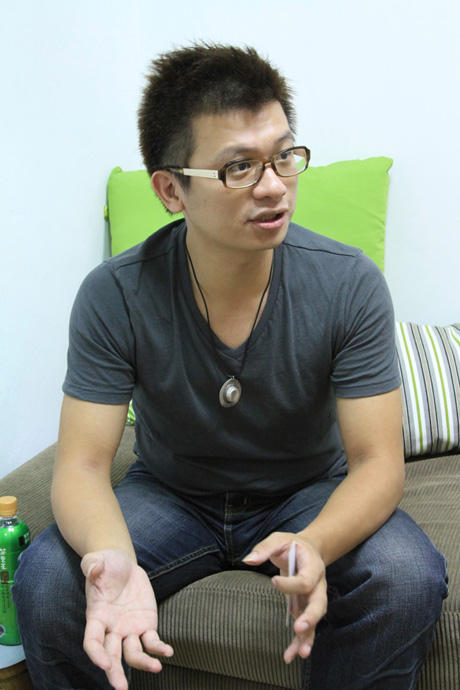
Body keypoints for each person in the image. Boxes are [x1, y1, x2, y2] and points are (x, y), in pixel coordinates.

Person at [14, 43, 447, 690]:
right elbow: (80, 466)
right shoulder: (116, 294)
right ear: (171, 190)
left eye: (284, 156)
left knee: (405, 575)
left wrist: (317, 544)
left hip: (306, 489)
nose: (273, 186)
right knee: (48, 580)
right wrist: (113, 558)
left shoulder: (348, 284)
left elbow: (378, 463)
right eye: (239, 167)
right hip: (172, 492)